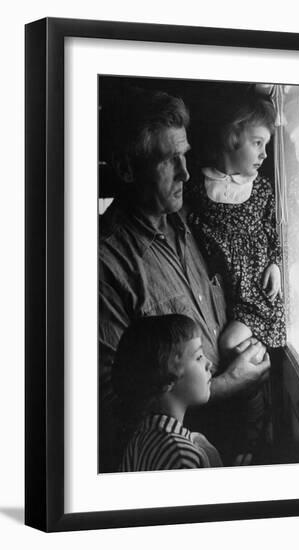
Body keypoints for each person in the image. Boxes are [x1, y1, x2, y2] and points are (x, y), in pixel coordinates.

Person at [99, 87, 270, 472]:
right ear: (126, 169)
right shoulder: (104, 262)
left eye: (185, 155)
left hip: (234, 444)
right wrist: (228, 383)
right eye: (168, 160)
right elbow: (115, 406)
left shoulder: (191, 220)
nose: (186, 172)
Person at [186, 91, 286, 449]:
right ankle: (260, 427)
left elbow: (274, 229)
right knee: (225, 345)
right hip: (223, 292)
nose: (263, 154)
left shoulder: (259, 189)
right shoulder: (197, 186)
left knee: (232, 344)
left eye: (266, 144)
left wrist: (275, 261)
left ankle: (257, 424)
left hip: (255, 291)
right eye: (257, 143)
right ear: (232, 137)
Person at [113, 314, 223, 471]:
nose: (209, 363)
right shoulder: (182, 457)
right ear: (167, 378)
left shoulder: (140, 440)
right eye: (198, 357)